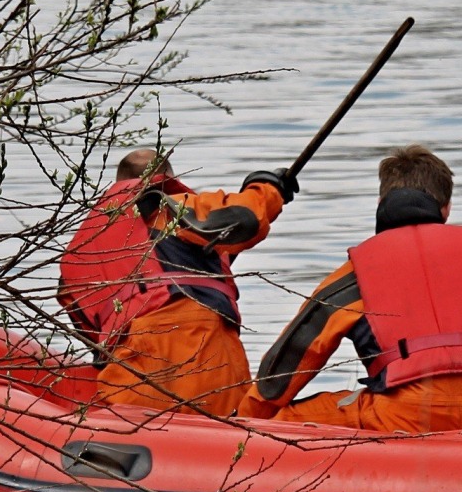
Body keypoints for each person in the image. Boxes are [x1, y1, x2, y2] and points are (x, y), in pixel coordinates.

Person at [237, 145, 462, 432]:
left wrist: (245, 421)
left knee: (283, 421)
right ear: (446, 208)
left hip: (404, 417)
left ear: (382, 202)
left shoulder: (354, 276)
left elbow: (288, 364)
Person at [58, 148, 294, 417]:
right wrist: (268, 187)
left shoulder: (79, 251)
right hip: (199, 349)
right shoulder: (167, 206)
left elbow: (90, 329)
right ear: (166, 178)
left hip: (131, 373)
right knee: (230, 436)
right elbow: (244, 218)